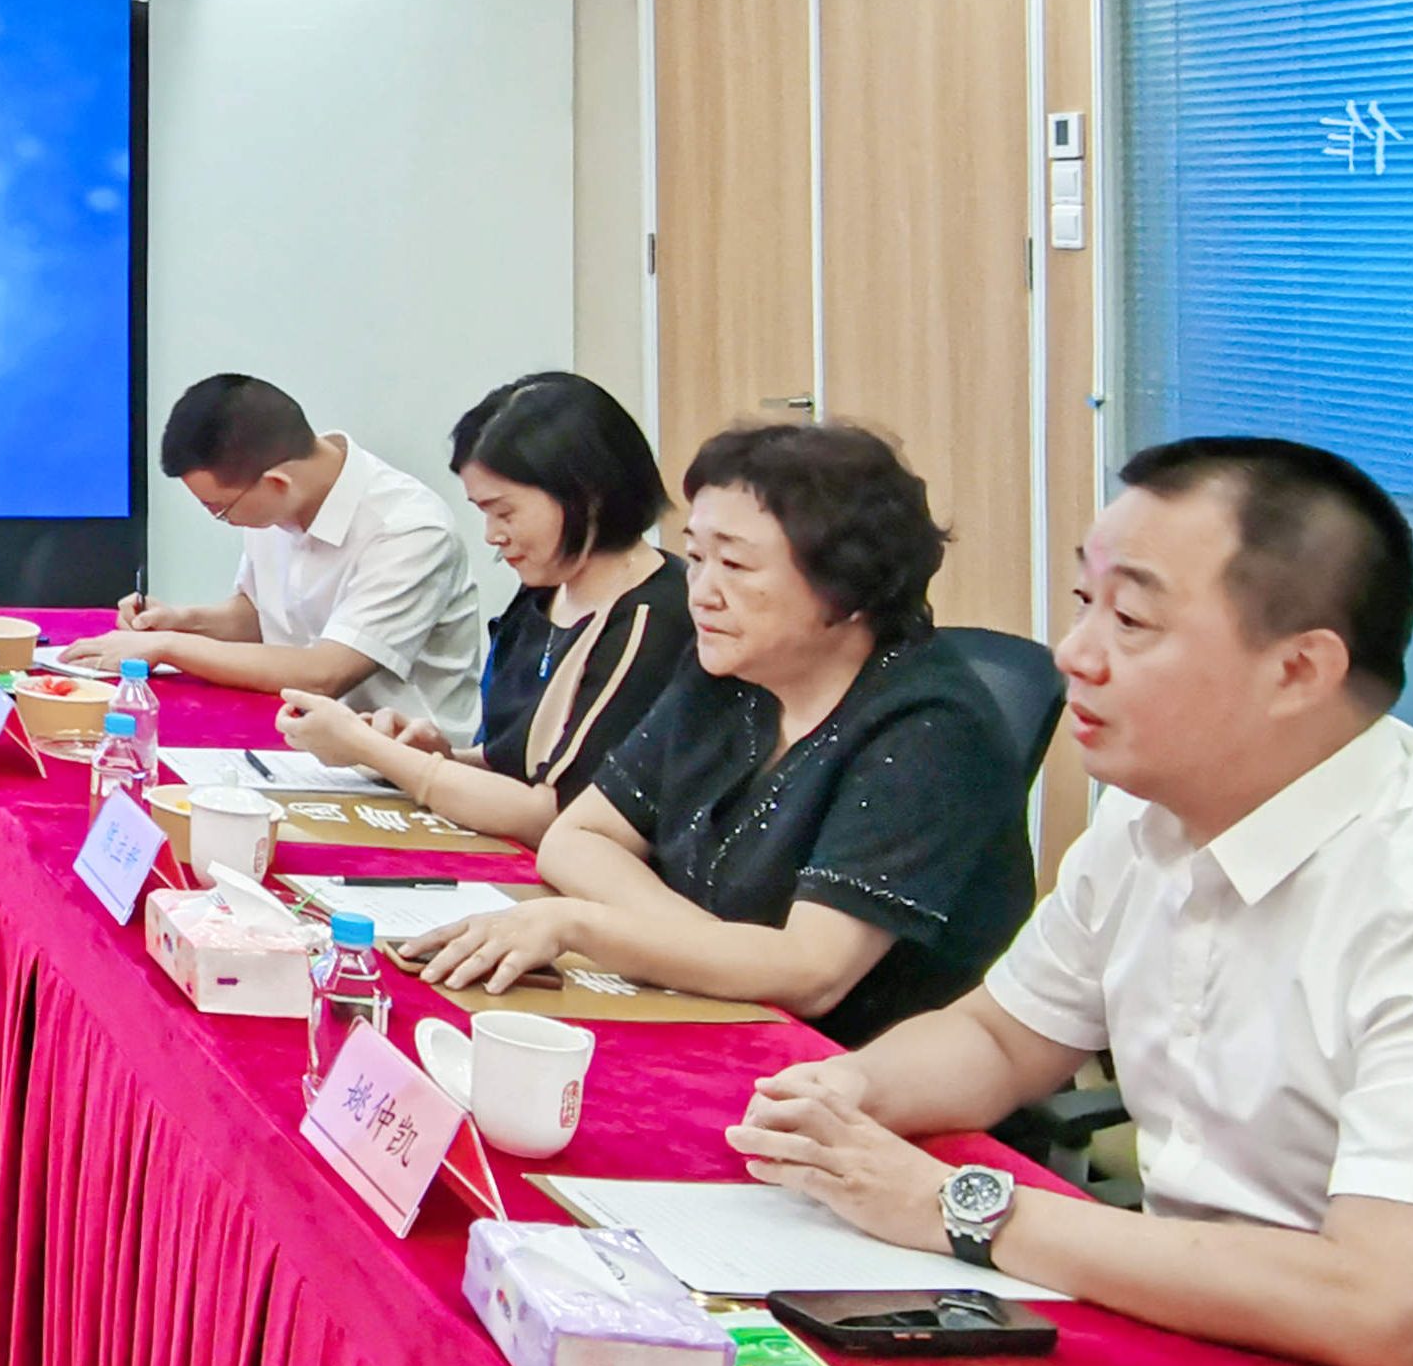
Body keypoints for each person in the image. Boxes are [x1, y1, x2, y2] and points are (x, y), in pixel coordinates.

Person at [732, 439, 1413, 1366]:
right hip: (1209, 1360)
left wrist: (957, 1206)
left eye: (1132, 621)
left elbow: (1380, 1308)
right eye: (1083, 602)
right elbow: (1003, 1036)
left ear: (1298, 670)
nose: (1074, 652)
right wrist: (847, 1094)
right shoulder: (1149, 823)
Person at [409, 418, 1034, 1041]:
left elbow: (813, 973)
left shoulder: (931, 732)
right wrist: (709, 949)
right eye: (697, 557)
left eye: (734, 564)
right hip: (705, 1008)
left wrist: (584, 927)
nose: (702, 592)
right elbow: (577, 838)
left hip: (845, 1066)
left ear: (850, 585)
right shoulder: (730, 671)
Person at [276, 371, 694, 845]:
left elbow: (556, 814)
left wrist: (371, 750)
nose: (493, 535)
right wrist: (437, 757)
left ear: (585, 495)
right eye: (484, 512)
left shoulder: (650, 619)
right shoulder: (546, 590)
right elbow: (515, 765)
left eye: (505, 512)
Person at [50, 373, 491, 735]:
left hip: (401, 763)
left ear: (277, 483)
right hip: (298, 735)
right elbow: (260, 617)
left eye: (220, 509)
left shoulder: (408, 530)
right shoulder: (276, 499)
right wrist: (182, 620)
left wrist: (167, 646)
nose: (221, 520)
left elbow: (324, 673)